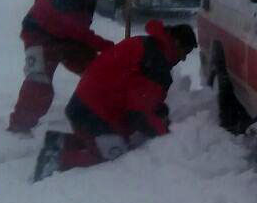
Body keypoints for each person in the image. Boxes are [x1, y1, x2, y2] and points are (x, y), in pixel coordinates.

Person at [32, 20, 196, 181]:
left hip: (84, 103)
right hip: (94, 111)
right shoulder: (156, 63)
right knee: (113, 156)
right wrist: (164, 133)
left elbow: (139, 92)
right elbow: (139, 111)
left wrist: (158, 109)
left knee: (104, 142)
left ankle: (59, 142)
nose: (183, 59)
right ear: (176, 43)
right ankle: (56, 160)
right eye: (185, 52)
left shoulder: (146, 44)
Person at [7, 0, 130, 133]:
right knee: (39, 82)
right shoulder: (64, 1)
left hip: (69, 36)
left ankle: (107, 111)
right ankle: (19, 127)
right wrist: (110, 48)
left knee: (97, 70)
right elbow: (80, 33)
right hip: (40, 34)